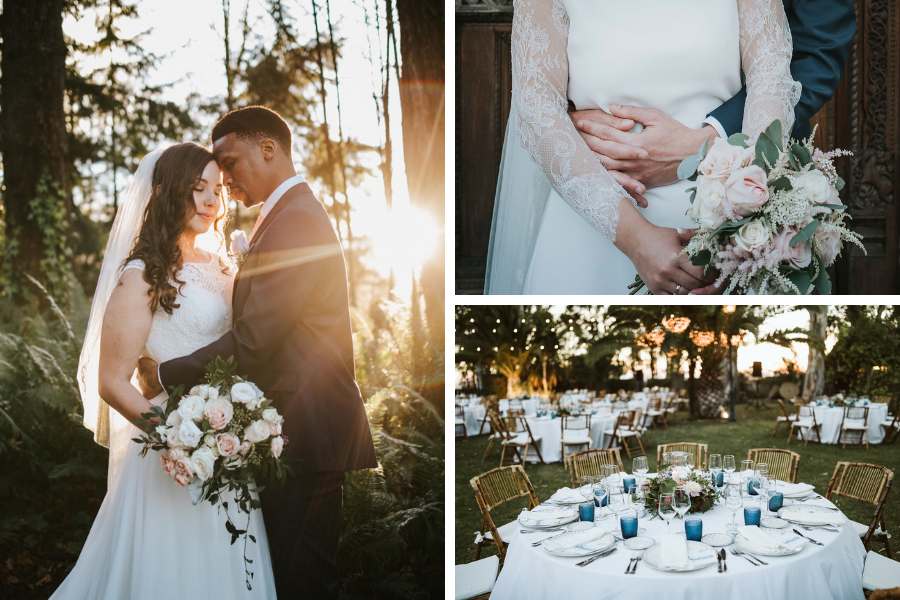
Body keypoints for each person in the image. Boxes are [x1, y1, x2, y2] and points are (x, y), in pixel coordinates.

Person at [136, 106, 378, 600]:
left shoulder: (297, 221)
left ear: (268, 149)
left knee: (305, 582)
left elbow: (254, 340)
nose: (223, 181)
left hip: (308, 432)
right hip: (291, 432)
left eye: (229, 163)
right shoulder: (285, 216)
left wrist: (162, 373)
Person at [54, 143, 277, 598]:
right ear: (166, 191)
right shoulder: (143, 274)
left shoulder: (224, 266)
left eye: (218, 189)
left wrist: (230, 431)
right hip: (168, 455)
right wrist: (177, 438)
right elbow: (113, 381)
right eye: (198, 189)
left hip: (228, 446)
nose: (212, 200)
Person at [484, 0, 802, 294]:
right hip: (594, 224)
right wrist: (637, 239)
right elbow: (536, 106)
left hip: (719, 221)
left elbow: (771, 77)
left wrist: (737, 226)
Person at [568, 0, 856, 294]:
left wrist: (711, 147)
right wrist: (569, 122)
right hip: (590, 200)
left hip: (727, 198)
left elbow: (815, 51)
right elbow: (537, 98)